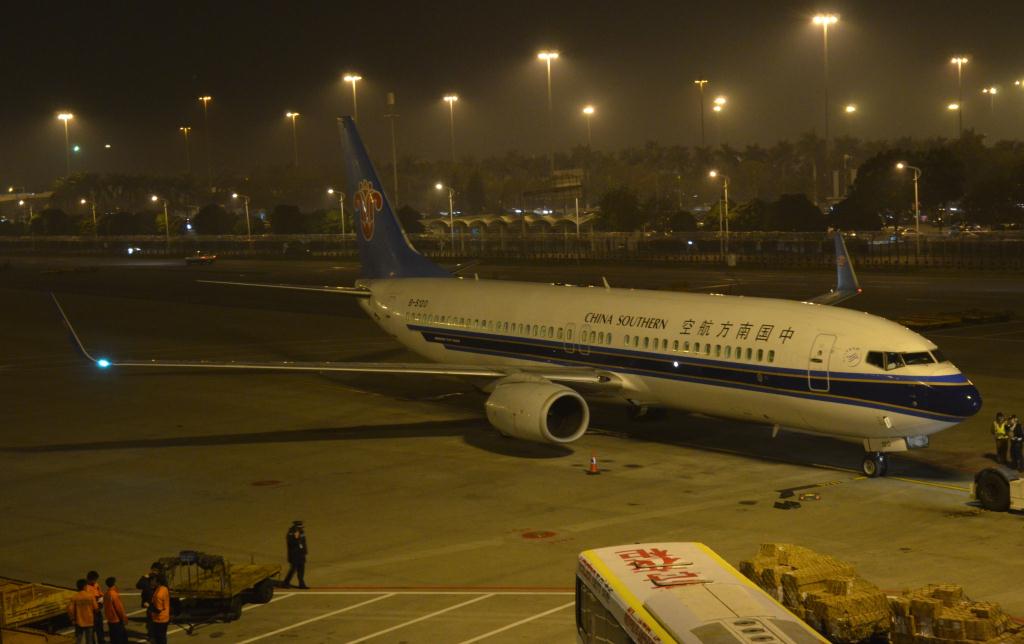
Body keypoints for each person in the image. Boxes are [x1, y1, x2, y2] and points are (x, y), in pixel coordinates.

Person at [135, 563, 160, 642]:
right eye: (153, 570)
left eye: (156, 570)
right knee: (151, 622)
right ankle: (152, 636)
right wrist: (144, 578)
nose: (154, 571)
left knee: (156, 622)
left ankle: (154, 635)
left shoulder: (160, 578)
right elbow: (139, 585)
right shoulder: (148, 579)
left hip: (157, 603)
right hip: (150, 604)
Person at [67, 578, 98, 644]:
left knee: (78, 639)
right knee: (89, 640)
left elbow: (70, 609)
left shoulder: (75, 597)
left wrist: (72, 619)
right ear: (84, 586)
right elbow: (96, 608)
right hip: (89, 621)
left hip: (79, 621)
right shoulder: (90, 596)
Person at [283, 520, 308, 589]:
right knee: (293, 569)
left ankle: (301, 584)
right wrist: (296, 538)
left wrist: (305, 552)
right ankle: (286, 582)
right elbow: (291, 544)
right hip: (294, 555)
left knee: (301, 570)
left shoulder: (302, 533)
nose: (302, 528)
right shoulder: (291, 533)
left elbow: (304, 542)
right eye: (300, 527)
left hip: (301, 554)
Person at [103, 577, 128, 644]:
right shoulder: (114, 594)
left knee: (113, 638)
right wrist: (124, 618)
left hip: (110, 619)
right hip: (117, 620)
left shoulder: (106, 594)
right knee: (121, 638)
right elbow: (119, 608)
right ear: (114, 584)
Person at [149, 573, 171, 644]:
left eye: (153, 581)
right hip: (165, 616)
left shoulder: (158, 595)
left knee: (159, 638)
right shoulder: (164, 588)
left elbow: (158, 609)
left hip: (159, 619)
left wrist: (149, 607)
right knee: (162, 636)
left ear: (158, 582)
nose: (151, 582)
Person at [86, 570, 105, 644]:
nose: (95, 581)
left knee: (100, 630)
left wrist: (101, 598)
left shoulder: (96, 584)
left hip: (98, 610)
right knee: (91, 631)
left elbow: (100, 593)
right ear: (90, 579)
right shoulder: (87, 588)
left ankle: (101, 642)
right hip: (91, 612)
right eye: (94, 580)